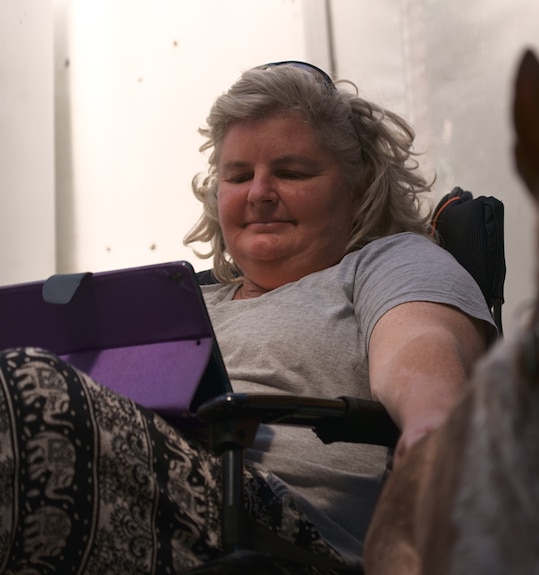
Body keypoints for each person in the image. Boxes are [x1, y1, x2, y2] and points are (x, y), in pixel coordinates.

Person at [0, 61, 495, 574]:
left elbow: (420, 346)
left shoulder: (383, 263)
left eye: (292, 172)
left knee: (30, 390)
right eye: (238, 176)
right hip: (121, 488)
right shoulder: (186, 300)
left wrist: (432, 434)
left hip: (274, 529)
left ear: (358, 185)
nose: (259, 192)